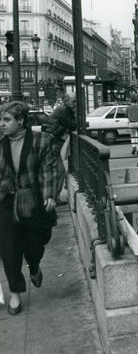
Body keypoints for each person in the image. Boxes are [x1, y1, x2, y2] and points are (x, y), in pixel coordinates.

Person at [0, 101, 62, 316]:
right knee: (9, 249)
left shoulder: (41, 140)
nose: (2, 124)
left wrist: (49, 195)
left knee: (35, 244)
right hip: (6, 202)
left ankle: (34, 265)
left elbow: (50, 169)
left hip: (33, 201)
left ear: (21, 121)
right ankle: (15, 292)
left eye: (6, 120)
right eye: (0, 120)